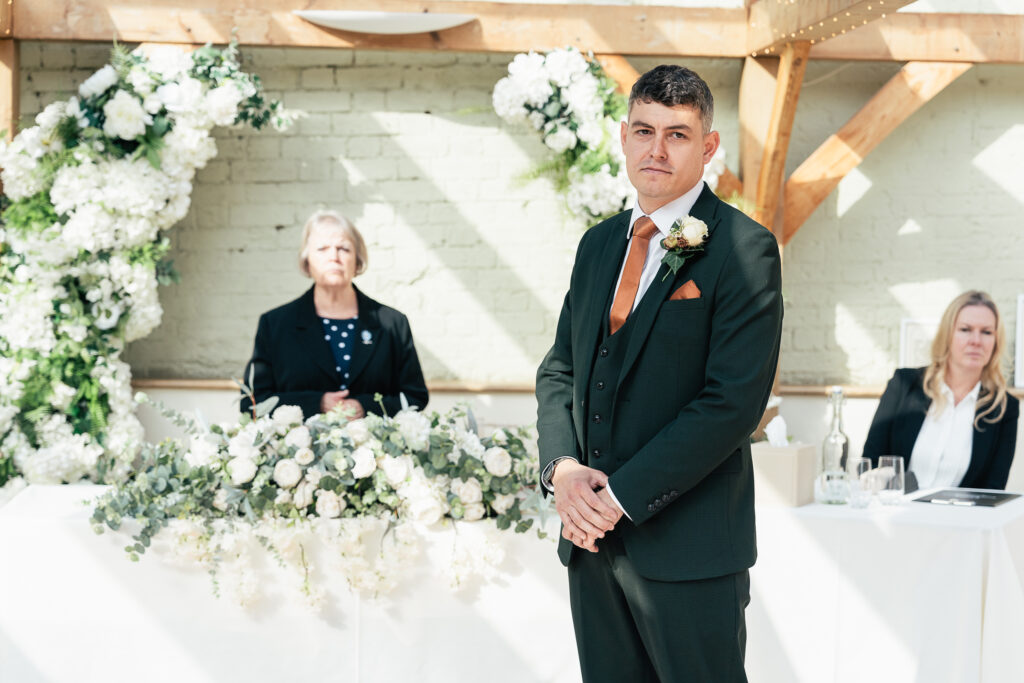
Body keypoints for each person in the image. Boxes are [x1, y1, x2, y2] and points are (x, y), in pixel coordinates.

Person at [535, 65, 783, 682]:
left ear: (708, 146)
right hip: (591, 548)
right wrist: (561, 470)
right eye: (644, 130)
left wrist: (615, 499)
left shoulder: (742, 248)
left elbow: (731, 405)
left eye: (677, 133)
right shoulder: (598, 245)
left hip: (689, 553)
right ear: (623, 138)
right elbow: (561, 368)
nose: (656, 148)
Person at [241, 210, 428, 419]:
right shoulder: (276, 324)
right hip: (299, 450)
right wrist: (317, 403)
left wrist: (365, 407)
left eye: (343, 249)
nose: (334, 257)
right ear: (307, 261)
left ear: (357, 261)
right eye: (322, 249)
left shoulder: (392, 323)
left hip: (378, 450)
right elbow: (252, 402)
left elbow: (415, 396)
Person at [863, 290, 1018, 490]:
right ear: (948, 335)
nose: (976, 341)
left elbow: (993, 490)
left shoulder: (1004, 408)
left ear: (996, 341)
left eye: (986, 332)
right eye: (965, 329)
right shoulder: (903, 384)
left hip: (958, 520)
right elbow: (871, 463)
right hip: (893, 514)